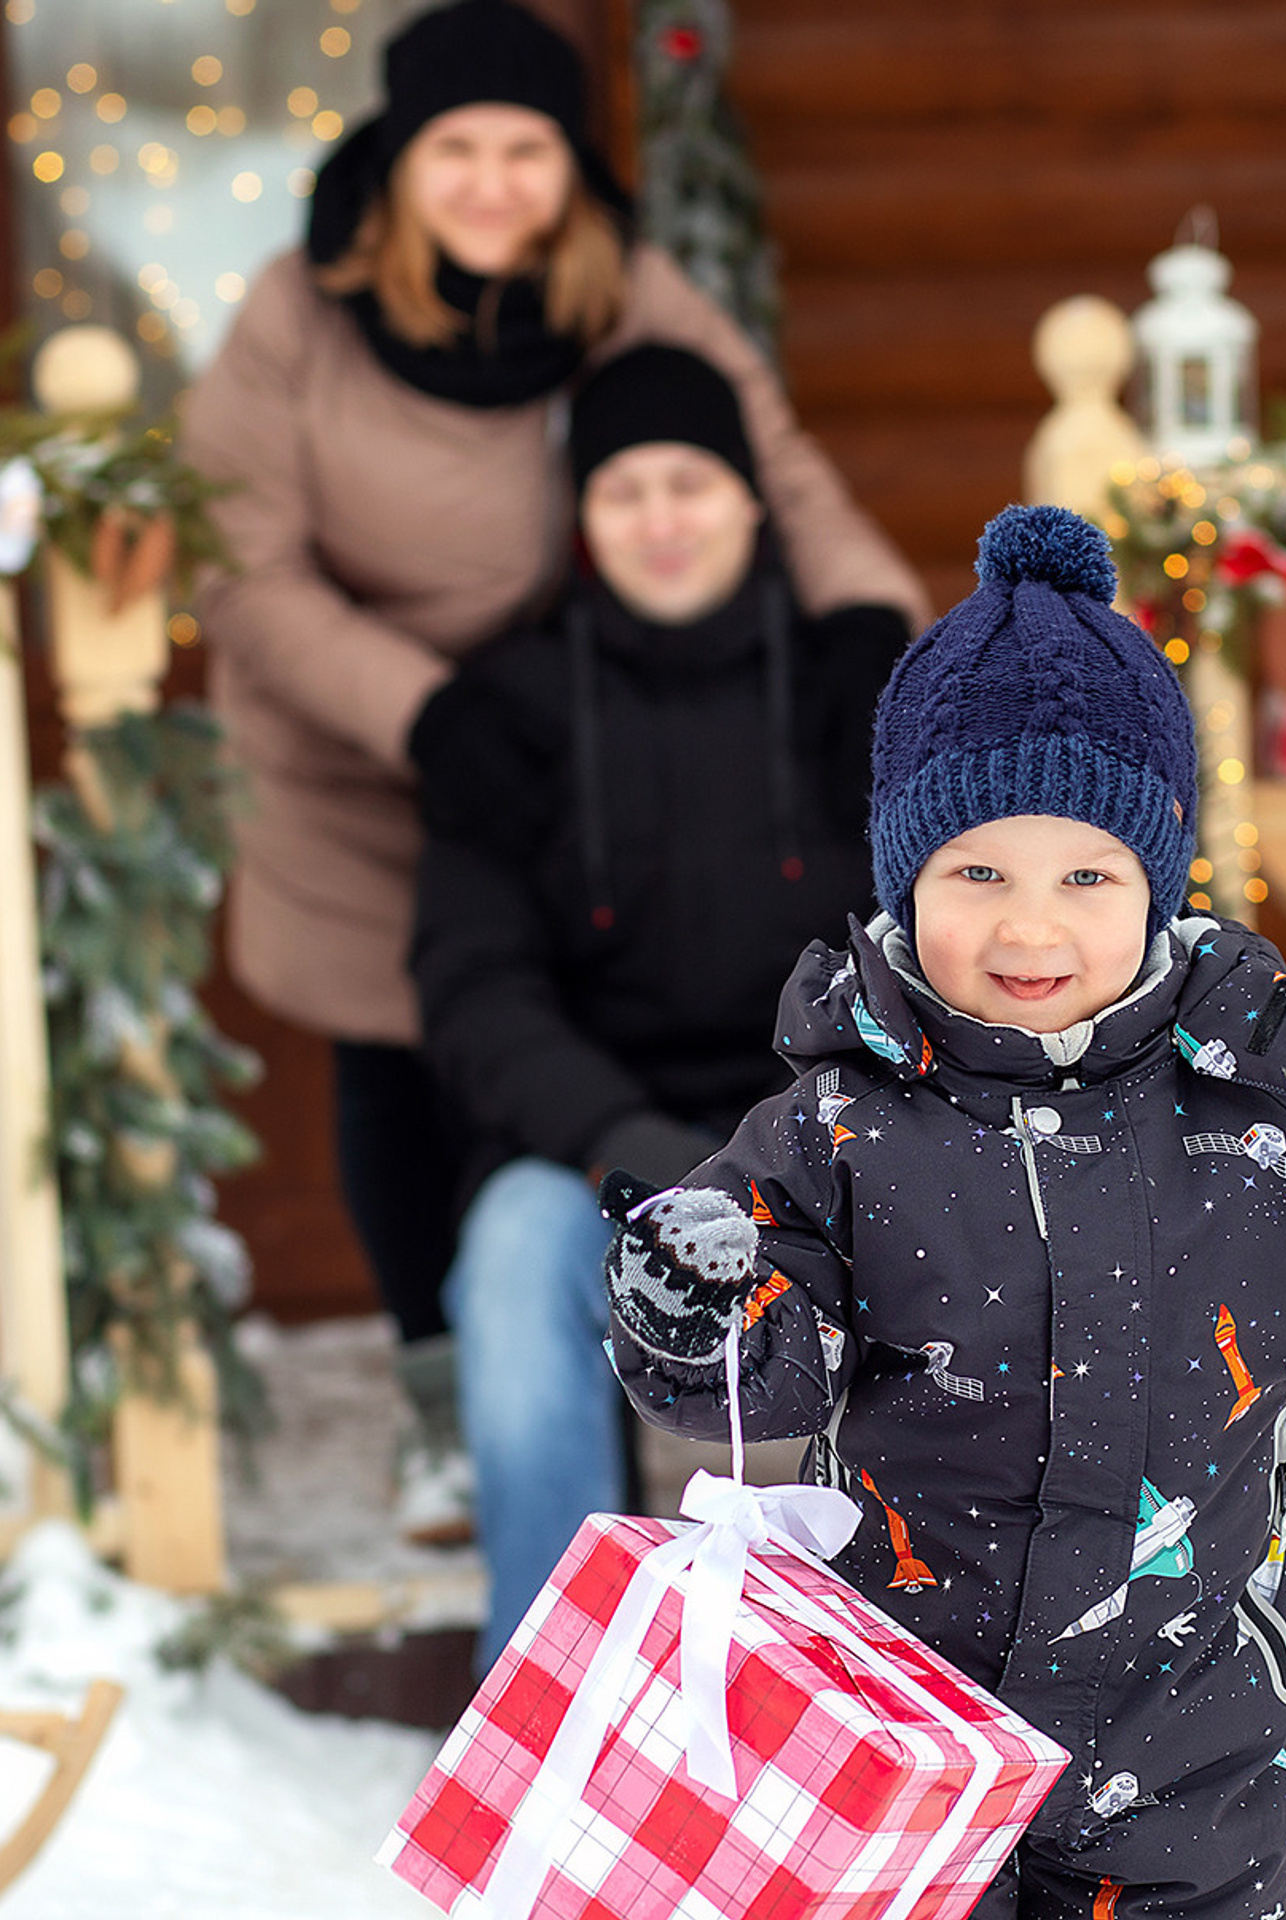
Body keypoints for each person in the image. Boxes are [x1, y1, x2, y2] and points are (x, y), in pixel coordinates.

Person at [599, 504, 1286, 1920]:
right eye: (979, 876)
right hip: (906, 1748)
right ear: (905, 883)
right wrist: (689, 1304)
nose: (1032, 929)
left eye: (1088, 876)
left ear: (1160, 881)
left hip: (1191, 1768)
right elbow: (762, 1359)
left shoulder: (1269, 1096)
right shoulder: (841, 1124)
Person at [180, 0, 926, 1542]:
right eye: (458, 148)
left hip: (628, 686)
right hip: (374, 732)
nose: (494, 182)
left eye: (527, 148)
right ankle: (440, 1392)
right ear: (398, 166)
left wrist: (867, 629)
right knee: (417, 1040)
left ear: (569, 168)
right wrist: (431, 712)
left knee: (553, 1042)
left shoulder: (626, 290)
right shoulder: (297, 319)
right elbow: (239, 567)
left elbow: (763, 462)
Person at [408, 340, 909, 1668]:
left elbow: (925, 936)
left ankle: (906, 1676)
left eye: (692, 481)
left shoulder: (849, 697)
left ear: (752, 501)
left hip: (828, 1129)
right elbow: (473, 990)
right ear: (582, 521)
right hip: (592, 1150)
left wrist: (826, 1124)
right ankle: (550, 1686)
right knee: (512, 1259)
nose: (664, 520)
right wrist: (618, 1142)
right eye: (625, 490)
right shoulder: (505, 717)